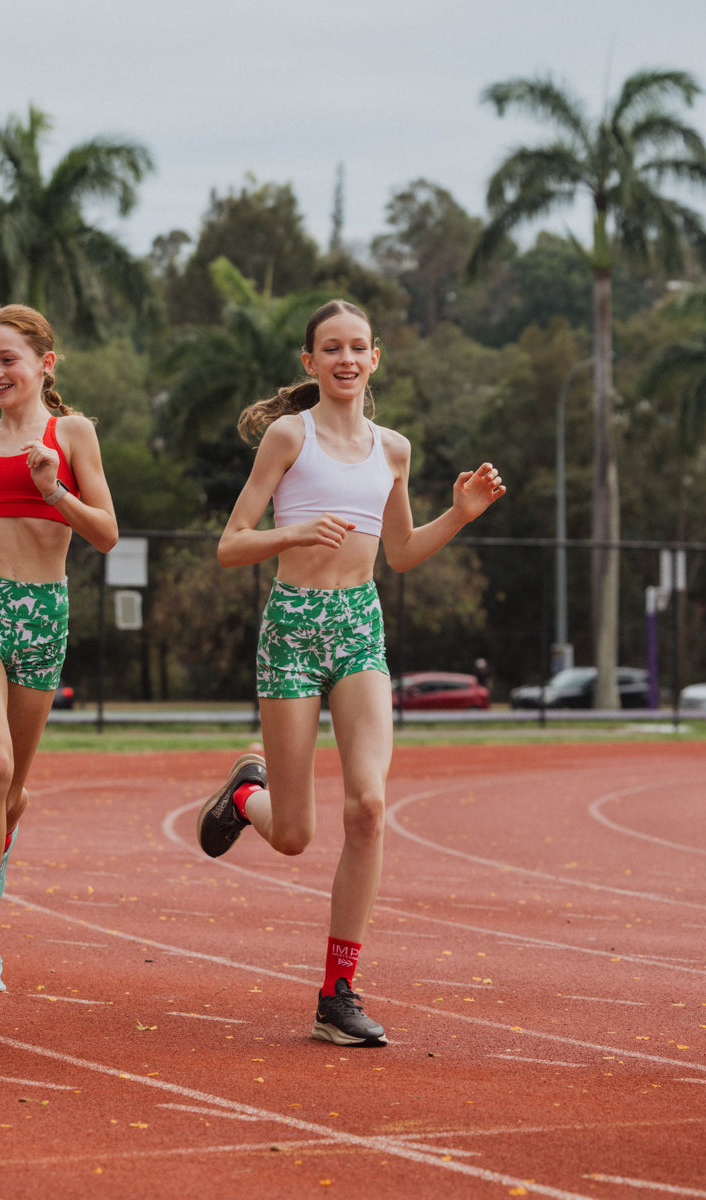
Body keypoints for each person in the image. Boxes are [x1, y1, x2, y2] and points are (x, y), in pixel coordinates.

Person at [197, 298, 505, 1047]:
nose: (346, 359)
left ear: (374, 358)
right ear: (310, 362)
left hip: (358, 627)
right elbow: (231, 544)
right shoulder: (289, 437)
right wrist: (295, 532)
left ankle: (337, 995)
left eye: (358, 347)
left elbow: (399, 553)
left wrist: (458, 515)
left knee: (368, 806)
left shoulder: (393, 450)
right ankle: (246, 794)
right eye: (331, 348)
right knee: (295, 834)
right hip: (293, 628)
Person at [0, 304, 117, 994]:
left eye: (8, 359)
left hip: (45, 612)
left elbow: (105, 533)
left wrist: (52, 488)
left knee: (12, 788)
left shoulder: (74, 433)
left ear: (44, 364)